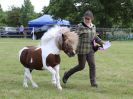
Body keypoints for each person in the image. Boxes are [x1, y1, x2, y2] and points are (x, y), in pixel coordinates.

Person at [62, 10, 104, 87]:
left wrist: (102, 43)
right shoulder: (80, 26)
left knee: (92, 65)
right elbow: (74, 36)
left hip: (90, 50)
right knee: (81, 66)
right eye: (85, 18)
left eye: (88, 19)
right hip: (81, 50)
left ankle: (93, 82)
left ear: (91, 19)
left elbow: (95, 37)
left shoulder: (93, 26)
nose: (87, 20)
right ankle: (67, 74)